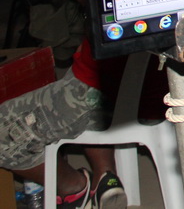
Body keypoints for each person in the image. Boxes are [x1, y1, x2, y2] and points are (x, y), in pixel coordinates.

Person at [0, 39, 128, 208]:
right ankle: (106, 178)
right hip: (150, 88)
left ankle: (73, 188)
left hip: (98, 85)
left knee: (89, 82)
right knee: (99, 69)